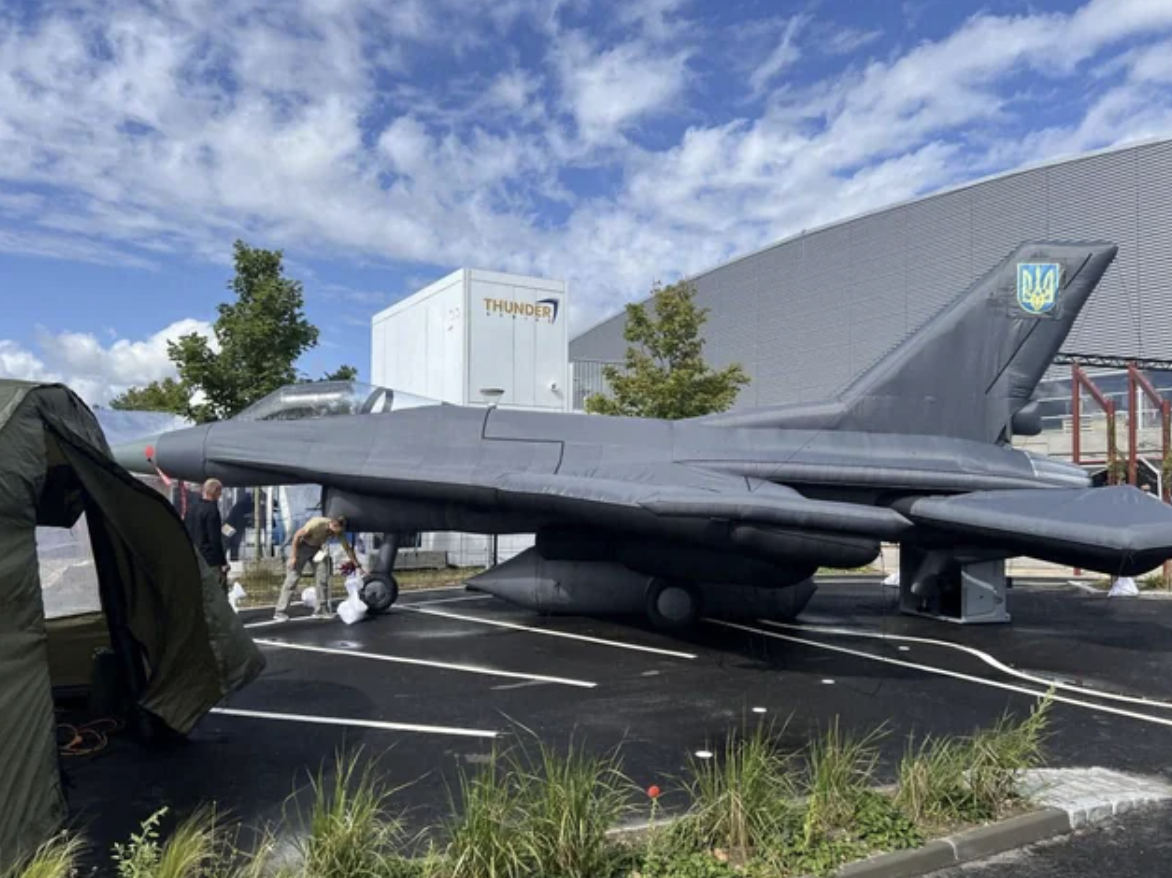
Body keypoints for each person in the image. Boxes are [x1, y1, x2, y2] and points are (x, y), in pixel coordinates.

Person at [274, 515, 365, 621]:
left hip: (317, 550)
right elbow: (297, 536)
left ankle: (321, 609)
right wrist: (293, 557)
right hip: (302, 547)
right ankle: (280, 611)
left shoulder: (338, 531)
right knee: (292, 579)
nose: (336, 534)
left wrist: (357, 564)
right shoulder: (316, 523)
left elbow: (347, 548)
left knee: (323, 577)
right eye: (336, 531)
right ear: (333, 524)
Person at [184, 478, 231, 592]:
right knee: (216, 593)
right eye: (220, 492)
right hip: (209, 560)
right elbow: (214, 539)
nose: (220, 495)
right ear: (215, 491)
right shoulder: (212, 511)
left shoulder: (191, 508)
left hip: (193, 557)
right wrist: (222, 562)